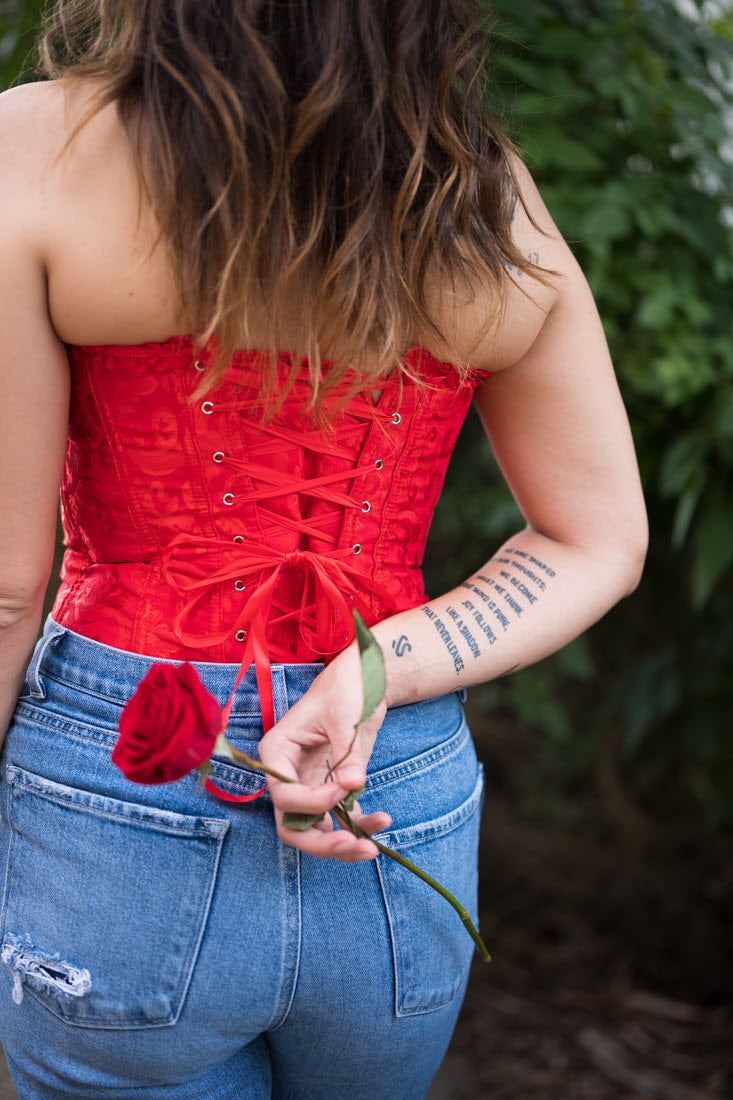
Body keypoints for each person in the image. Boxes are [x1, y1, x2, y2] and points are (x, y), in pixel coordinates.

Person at [0, 1, 648, 1097]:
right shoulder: (485, 194)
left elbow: (7, 588)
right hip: (392, 790)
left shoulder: (38, 148)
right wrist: (375, 666)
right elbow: (598, 538)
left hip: (125, 773)